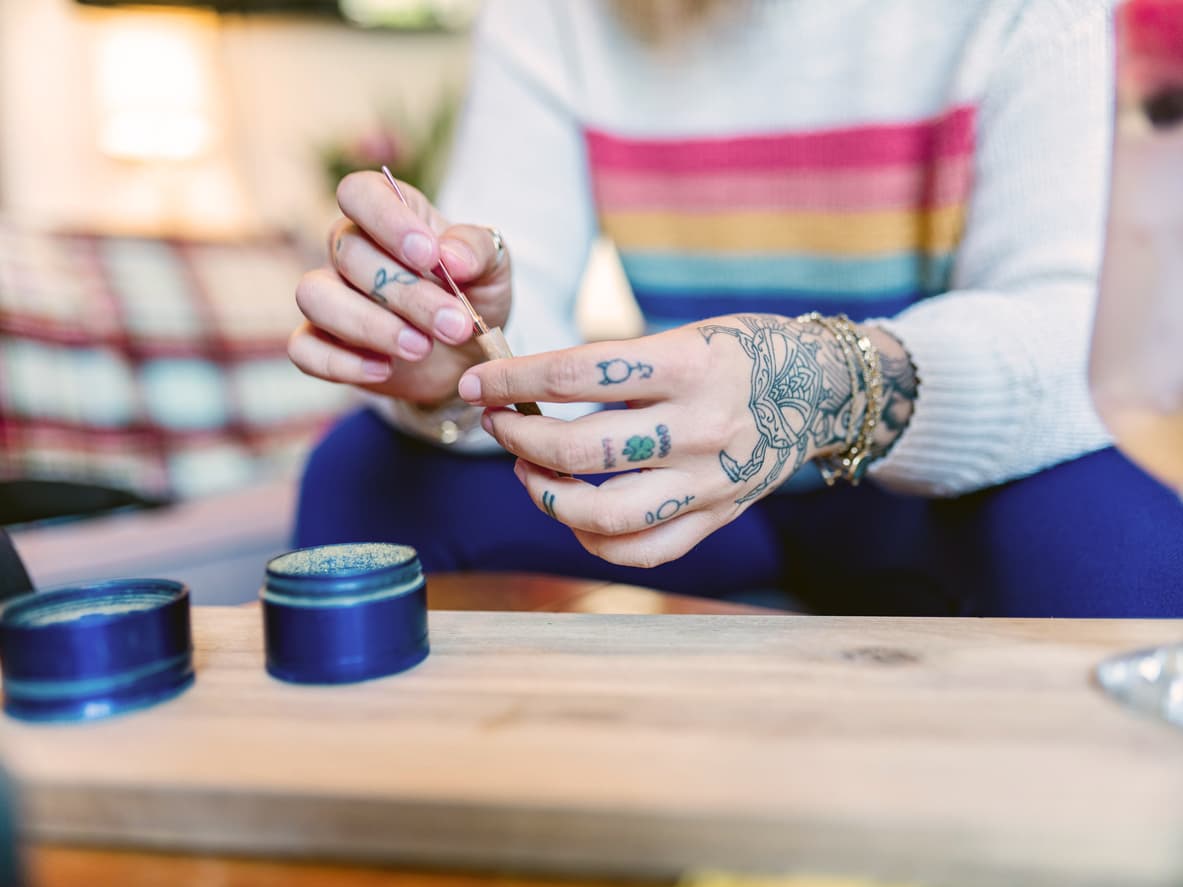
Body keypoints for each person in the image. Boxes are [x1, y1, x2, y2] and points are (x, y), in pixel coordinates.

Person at [290, 0, 1183, 617]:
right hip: (691, 481)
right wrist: (444, 368)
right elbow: (503, 321)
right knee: (365, 475)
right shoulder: (553, 16)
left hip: (955, 486)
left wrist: (818, 387)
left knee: (1127, 538)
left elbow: (1084, 330)